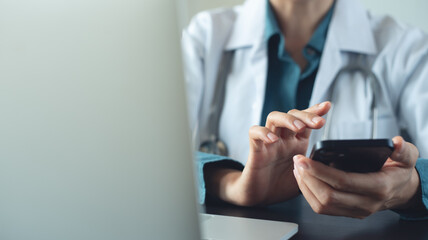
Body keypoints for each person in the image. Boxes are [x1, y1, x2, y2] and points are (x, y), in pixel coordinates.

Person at [182, 0, 428, 219]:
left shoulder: (409, 48)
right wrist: (230, 183)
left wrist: (412, 187)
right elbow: (151, 157)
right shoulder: (205, 36)